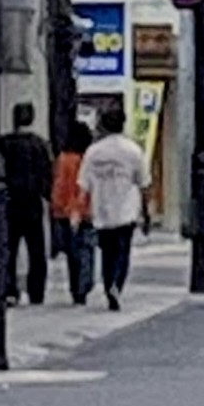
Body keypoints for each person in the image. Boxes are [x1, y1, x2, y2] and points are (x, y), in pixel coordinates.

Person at [79, 98, 151, 309]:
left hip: (101, 208)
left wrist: (79, 212)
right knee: (123, 251)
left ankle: (109, 282)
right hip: (127, 208)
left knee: (107, 252)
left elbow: (84, 184)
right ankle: (117, 285)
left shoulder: (93, 152)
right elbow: (144, 183)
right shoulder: (133, 150)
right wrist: (146, 213)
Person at [1, 99, 53, 306]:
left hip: (10, 203)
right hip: (33, 203)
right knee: (36, 251)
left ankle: (9, 289)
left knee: (9, 250)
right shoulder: (39, 144)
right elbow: (47, 174)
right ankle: (36, 292)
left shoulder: (4, 143)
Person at [50, 117, 94, 305]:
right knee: (86, 249)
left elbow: (59, 186)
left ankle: (75, 287)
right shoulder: (89, 159)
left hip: (65, 212)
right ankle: (84, 284)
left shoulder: (64, 159)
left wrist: (58, 208)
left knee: (72, 252)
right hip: (87, 211)